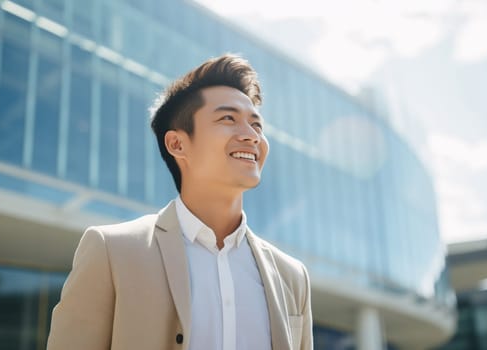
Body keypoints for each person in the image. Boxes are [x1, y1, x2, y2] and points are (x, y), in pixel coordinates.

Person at [47, 54, 313, 350]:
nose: (252, 136)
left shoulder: (292, 276)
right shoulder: (111, 252)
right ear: (177, 144)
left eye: (257, 125)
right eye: (228, 118)